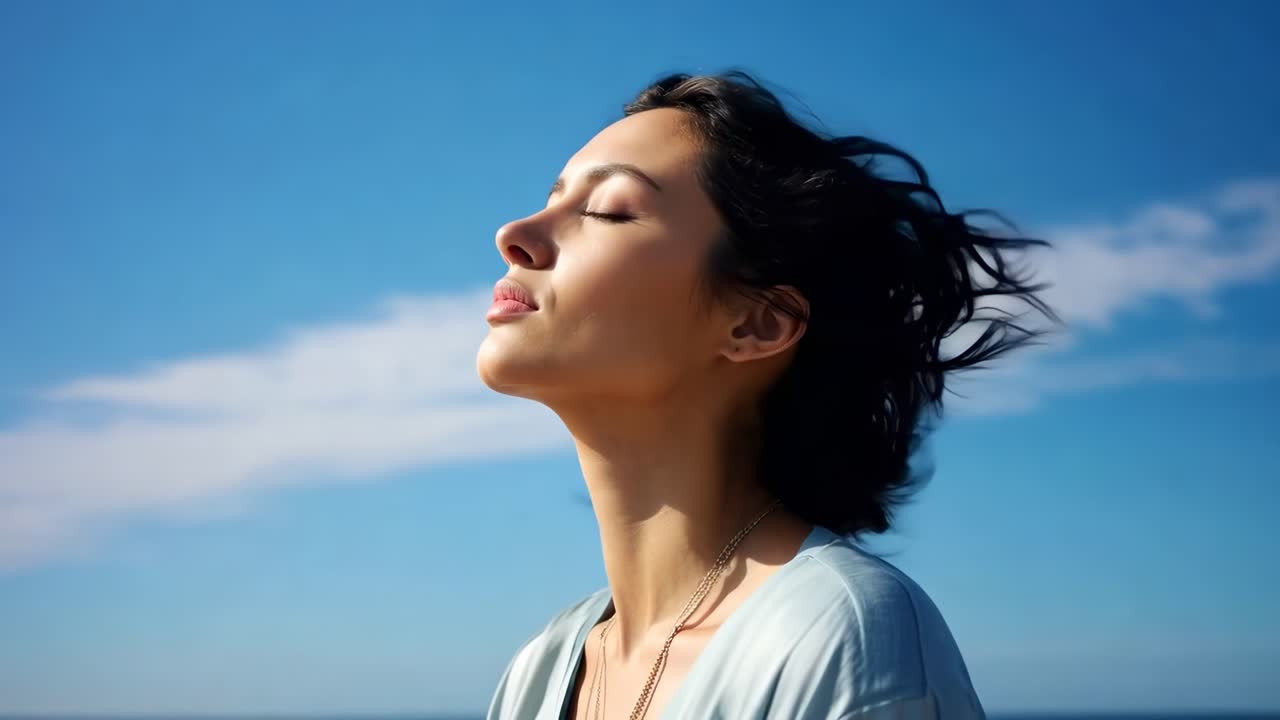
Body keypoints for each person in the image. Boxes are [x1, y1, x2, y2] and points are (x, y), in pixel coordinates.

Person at [476, 71, 1052, 720]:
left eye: (609, 209)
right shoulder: (540, 670)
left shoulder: (841, 640)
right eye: (551, 199)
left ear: (757, 323)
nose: (514, 234)